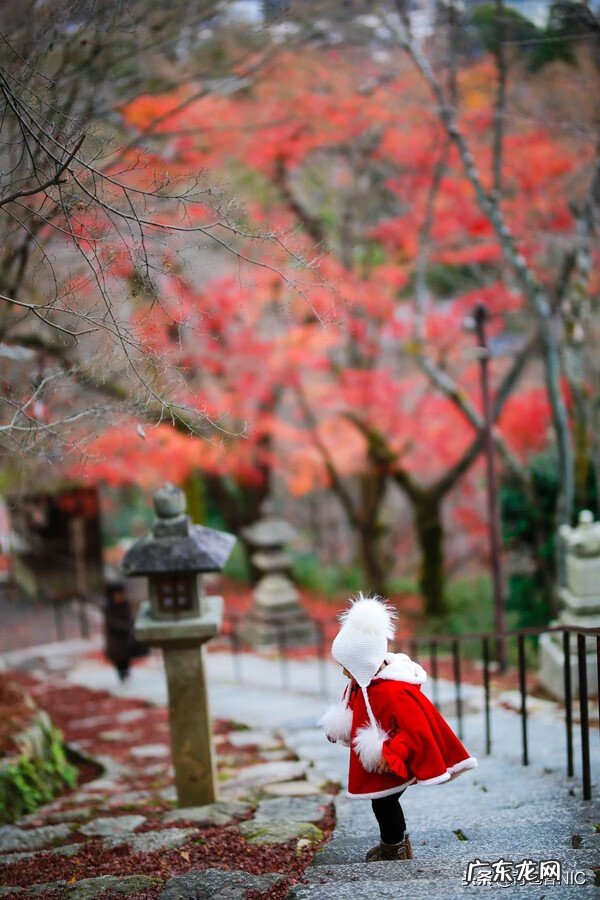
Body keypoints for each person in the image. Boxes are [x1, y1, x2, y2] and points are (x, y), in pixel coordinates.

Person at [319, 594, 478, 862]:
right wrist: (340, 726)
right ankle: (395, 843)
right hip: (387, 755)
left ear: (363, 662)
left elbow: (416, 730)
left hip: (395, 756)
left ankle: (395, 846)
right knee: (383, 801)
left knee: (384, 801)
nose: (344, 673)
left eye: (347, 667)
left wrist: (392, 751)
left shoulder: (394, 692)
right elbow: (357, 709)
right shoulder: (364, 683)